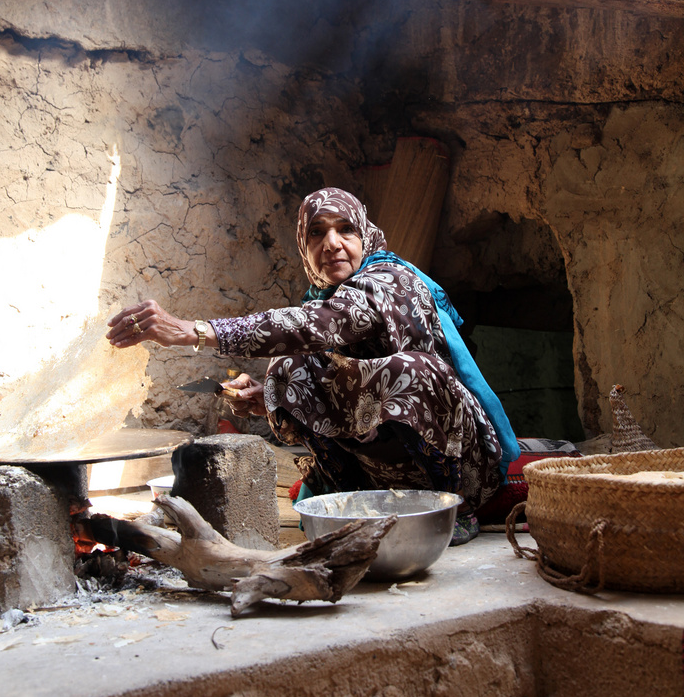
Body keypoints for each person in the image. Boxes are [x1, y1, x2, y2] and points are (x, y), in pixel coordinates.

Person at [107, 187, 520, 544]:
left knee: (409, 371)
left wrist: (192, 331)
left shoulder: (389, 279)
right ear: (304, 247)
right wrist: (265, 398)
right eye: (317, 233)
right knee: (288, 370)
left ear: (365, 236)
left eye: (345, 229)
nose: (332, 243)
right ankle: (352, 497)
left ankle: (452, 509)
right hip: (381, 475)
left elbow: (323, 326)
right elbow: (333, 376)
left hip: (461, 463)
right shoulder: (319, 298)